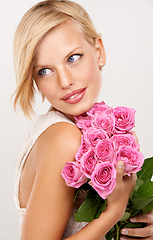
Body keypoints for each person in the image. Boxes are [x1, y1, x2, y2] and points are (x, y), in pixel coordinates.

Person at [13, 0, 153, 239]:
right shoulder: (63, 137)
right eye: (44, 71)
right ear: (34, 79)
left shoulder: (71, 128)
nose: (65, 81)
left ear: (99, 51)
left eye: (73, 58)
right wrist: (113, 213)